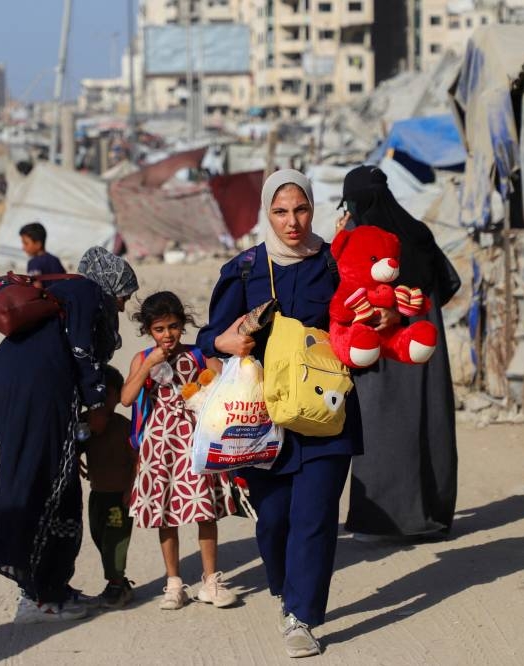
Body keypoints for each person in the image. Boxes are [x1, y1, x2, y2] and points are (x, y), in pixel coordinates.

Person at [196, 170, 365, 658]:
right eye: (281, 211)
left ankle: (302, 615)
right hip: (261, 420)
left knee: (315, 517)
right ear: (267, 213)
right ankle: (284, 588)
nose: (293, 222)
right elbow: (210, 336)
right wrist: (223, 341)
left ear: (314, 208)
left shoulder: (336, 263)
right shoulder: (245, 269)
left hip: (325, 412)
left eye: (302, 209)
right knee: (273, 521)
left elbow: (362, 313)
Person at [0, 246, 140, 624]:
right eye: (123, 295)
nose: (121, 307)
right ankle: (40, 597)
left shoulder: (66, 297)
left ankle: (50, 587)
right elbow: (83, 351)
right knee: (46, 485)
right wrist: (99, 402)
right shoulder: (87, 293)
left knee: (49, 479)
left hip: (11, 387)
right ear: (110, 283)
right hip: (36, 393)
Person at [339, 165, 461, 540]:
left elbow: (341, 288)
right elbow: (448, 282)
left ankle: (382, 522)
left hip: (381, 350)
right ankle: (431, 514)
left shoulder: (359, 239)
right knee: (428, 424)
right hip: (423, 345)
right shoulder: (417, 233)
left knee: (378, 430)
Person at [123, 291, 237, 612]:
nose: (168, 335)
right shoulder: (143, 358)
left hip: (196, 440)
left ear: (182, 325)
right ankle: (174, 583)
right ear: (149, 331)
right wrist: (148, 364)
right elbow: (127, 397)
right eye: (159, 329)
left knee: (204, 510)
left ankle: (211, 581)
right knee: (165, 513)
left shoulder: (199, 354)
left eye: (173, 326)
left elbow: (225, 384)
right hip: (160, 445)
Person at [81, 365, 136, 609]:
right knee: (99, 536)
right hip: (97, 494)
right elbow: (73, 446)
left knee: (116, 540)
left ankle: (116, 583)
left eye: (108, 396)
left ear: (118, 396)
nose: (102, 402)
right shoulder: (84, 423)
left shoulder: (124, 427)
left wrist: (132, 488)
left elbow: (138, 459)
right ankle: (119, 581)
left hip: (119, 496)